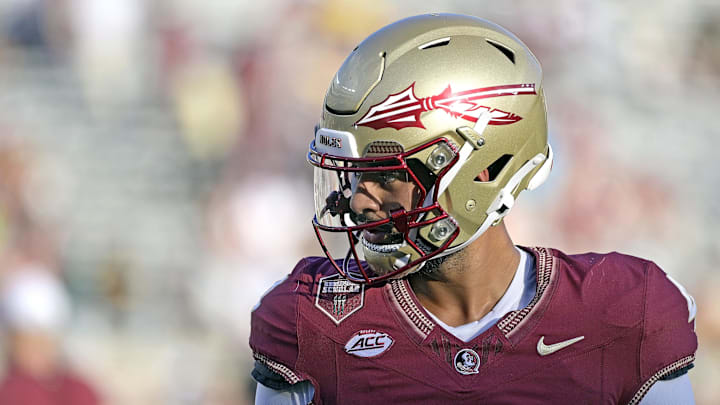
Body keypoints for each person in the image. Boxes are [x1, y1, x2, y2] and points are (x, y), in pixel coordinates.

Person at [249, 13, 697, 404]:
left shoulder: (620, 311)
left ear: (483, 172)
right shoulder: (312, 318)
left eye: (387, 175)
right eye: (354, 175)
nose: (359, 201)